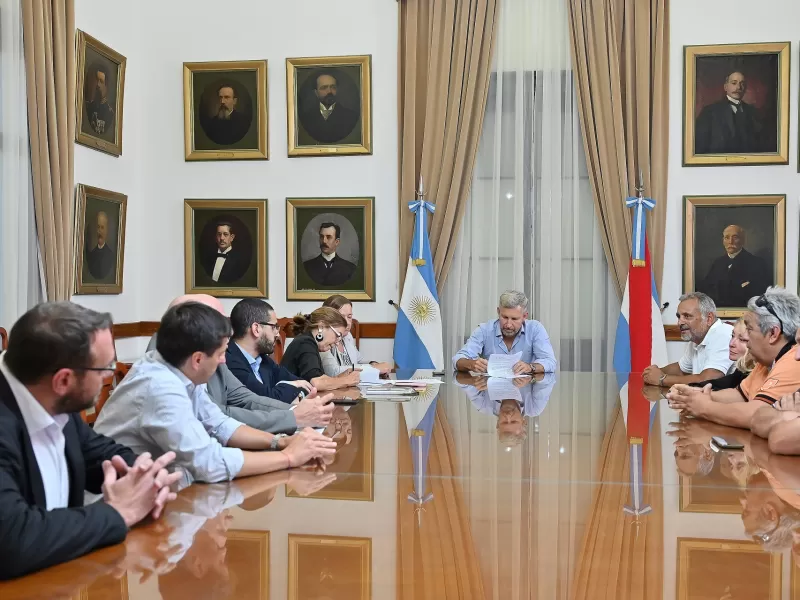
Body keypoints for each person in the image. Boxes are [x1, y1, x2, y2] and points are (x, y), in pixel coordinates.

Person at [0, 302, 182, 580]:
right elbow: (13, 541)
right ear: (63, 380)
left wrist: (146, 478)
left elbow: (101, 453)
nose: (111, 375)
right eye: (105, 368)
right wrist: (118, 512)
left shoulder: (50, 396)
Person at [94, 302, 338, 485]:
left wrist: (280, 441)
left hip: (167, 489)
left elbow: (220, 424)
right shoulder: (160, 387)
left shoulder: (181, 368)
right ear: (198, 359)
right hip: (119, 503)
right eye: (221, 354)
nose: (224, 362)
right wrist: (288, 457)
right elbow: (208, 462)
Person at [147, 295, 332, 433]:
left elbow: (245, 398)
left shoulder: (213, 356)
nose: (225, 333)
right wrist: (292, 419)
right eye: (217, 324)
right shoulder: (162, 372)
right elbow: (220, 417)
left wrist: (295, 411)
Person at [667, 287, 800, 429]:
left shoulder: (792, 359)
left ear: (773, 333)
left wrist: (706, 408)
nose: (746, 338)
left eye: (749, 330)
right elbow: (738, 394)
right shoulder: (765, 361)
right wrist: (693, 396)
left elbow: (757, 413)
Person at [226, 298, 333, 406]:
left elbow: (305, 385)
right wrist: (290, 386)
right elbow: (267, 400)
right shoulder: (229, 361)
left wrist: (287, 389)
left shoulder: (262, 359)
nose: (277, 334)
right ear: (256, 329)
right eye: (274, 327)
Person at [452, 290, 557, 374]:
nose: (508, 324)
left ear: (525, 316)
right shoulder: (484, 330)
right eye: (504, 317)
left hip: (525, 389)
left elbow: (550, 362)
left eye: (514, 319)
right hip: (491, 390)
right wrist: (471, 364)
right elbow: (457, 359)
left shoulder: (535, 329)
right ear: (498, 312)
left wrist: (530, 367)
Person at [642, 292, 733, 387]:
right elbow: (681, 369)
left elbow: (709, 380)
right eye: (679, 317)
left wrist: (662, 379)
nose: (679, 322)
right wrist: (654, 373)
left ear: (709, 319)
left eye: (687, 316)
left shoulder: (724, 334)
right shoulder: (696, 338)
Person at [280, 308, 361, 391]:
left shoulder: (310, 343)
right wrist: (346, 380)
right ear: (321, 327)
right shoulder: (305, 343)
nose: (337, 343)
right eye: (337, 335)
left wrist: (340, 377)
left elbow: (315, 379)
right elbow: (317, 383)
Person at [698, 224, 772, 308]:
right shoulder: (717, 263)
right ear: (723, 241)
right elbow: (706, 290)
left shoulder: (757, 263)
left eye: (735, 237)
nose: (730, 241)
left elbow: (760, 296)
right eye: (727, 237)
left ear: (743, 240)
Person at [695, 70, 765, 154]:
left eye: (742, 83)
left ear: (745, 88)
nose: (739, 87)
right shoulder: (709, 112)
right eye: (734, 83)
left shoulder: (753, 112)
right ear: (725, 87)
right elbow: (700, 148)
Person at [319, 294, 392, 376]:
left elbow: (358, 361)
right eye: (341, 317)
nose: (347, 322)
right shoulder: (323, 340)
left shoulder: (347, 336)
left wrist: (373, 364)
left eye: (349, 317)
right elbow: (333, 372)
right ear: (328, 318)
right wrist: (374, 369)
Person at [688, 317, 756, 391]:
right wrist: (693, 387)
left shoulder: (758, 374)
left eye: (742, 340)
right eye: (732, 336)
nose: (731, 344)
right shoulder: (743, 368)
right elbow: (724, 383)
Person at [298, 71, 360, 144]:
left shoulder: (350, 116)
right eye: (324, 88)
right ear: (316, 93)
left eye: (333, 87)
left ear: (337, 90)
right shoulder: (307, 117)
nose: (329, 91)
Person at [302, 222, 357, 287]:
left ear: (337, 242)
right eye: (321, 237)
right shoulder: (307, 266)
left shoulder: (350, 268)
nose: (324, 241)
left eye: (328, 237)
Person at [86, 65, 115, 137]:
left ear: (107, 86)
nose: (98, 85)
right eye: (97, 80)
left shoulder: (110, 113)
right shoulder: (88, 106)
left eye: (101, 81)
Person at [86, 210, 115, 280]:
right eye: (98, 227)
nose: (100, 231)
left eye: (102, 227)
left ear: (106, 230)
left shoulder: (111, 255)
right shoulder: (91, 255)